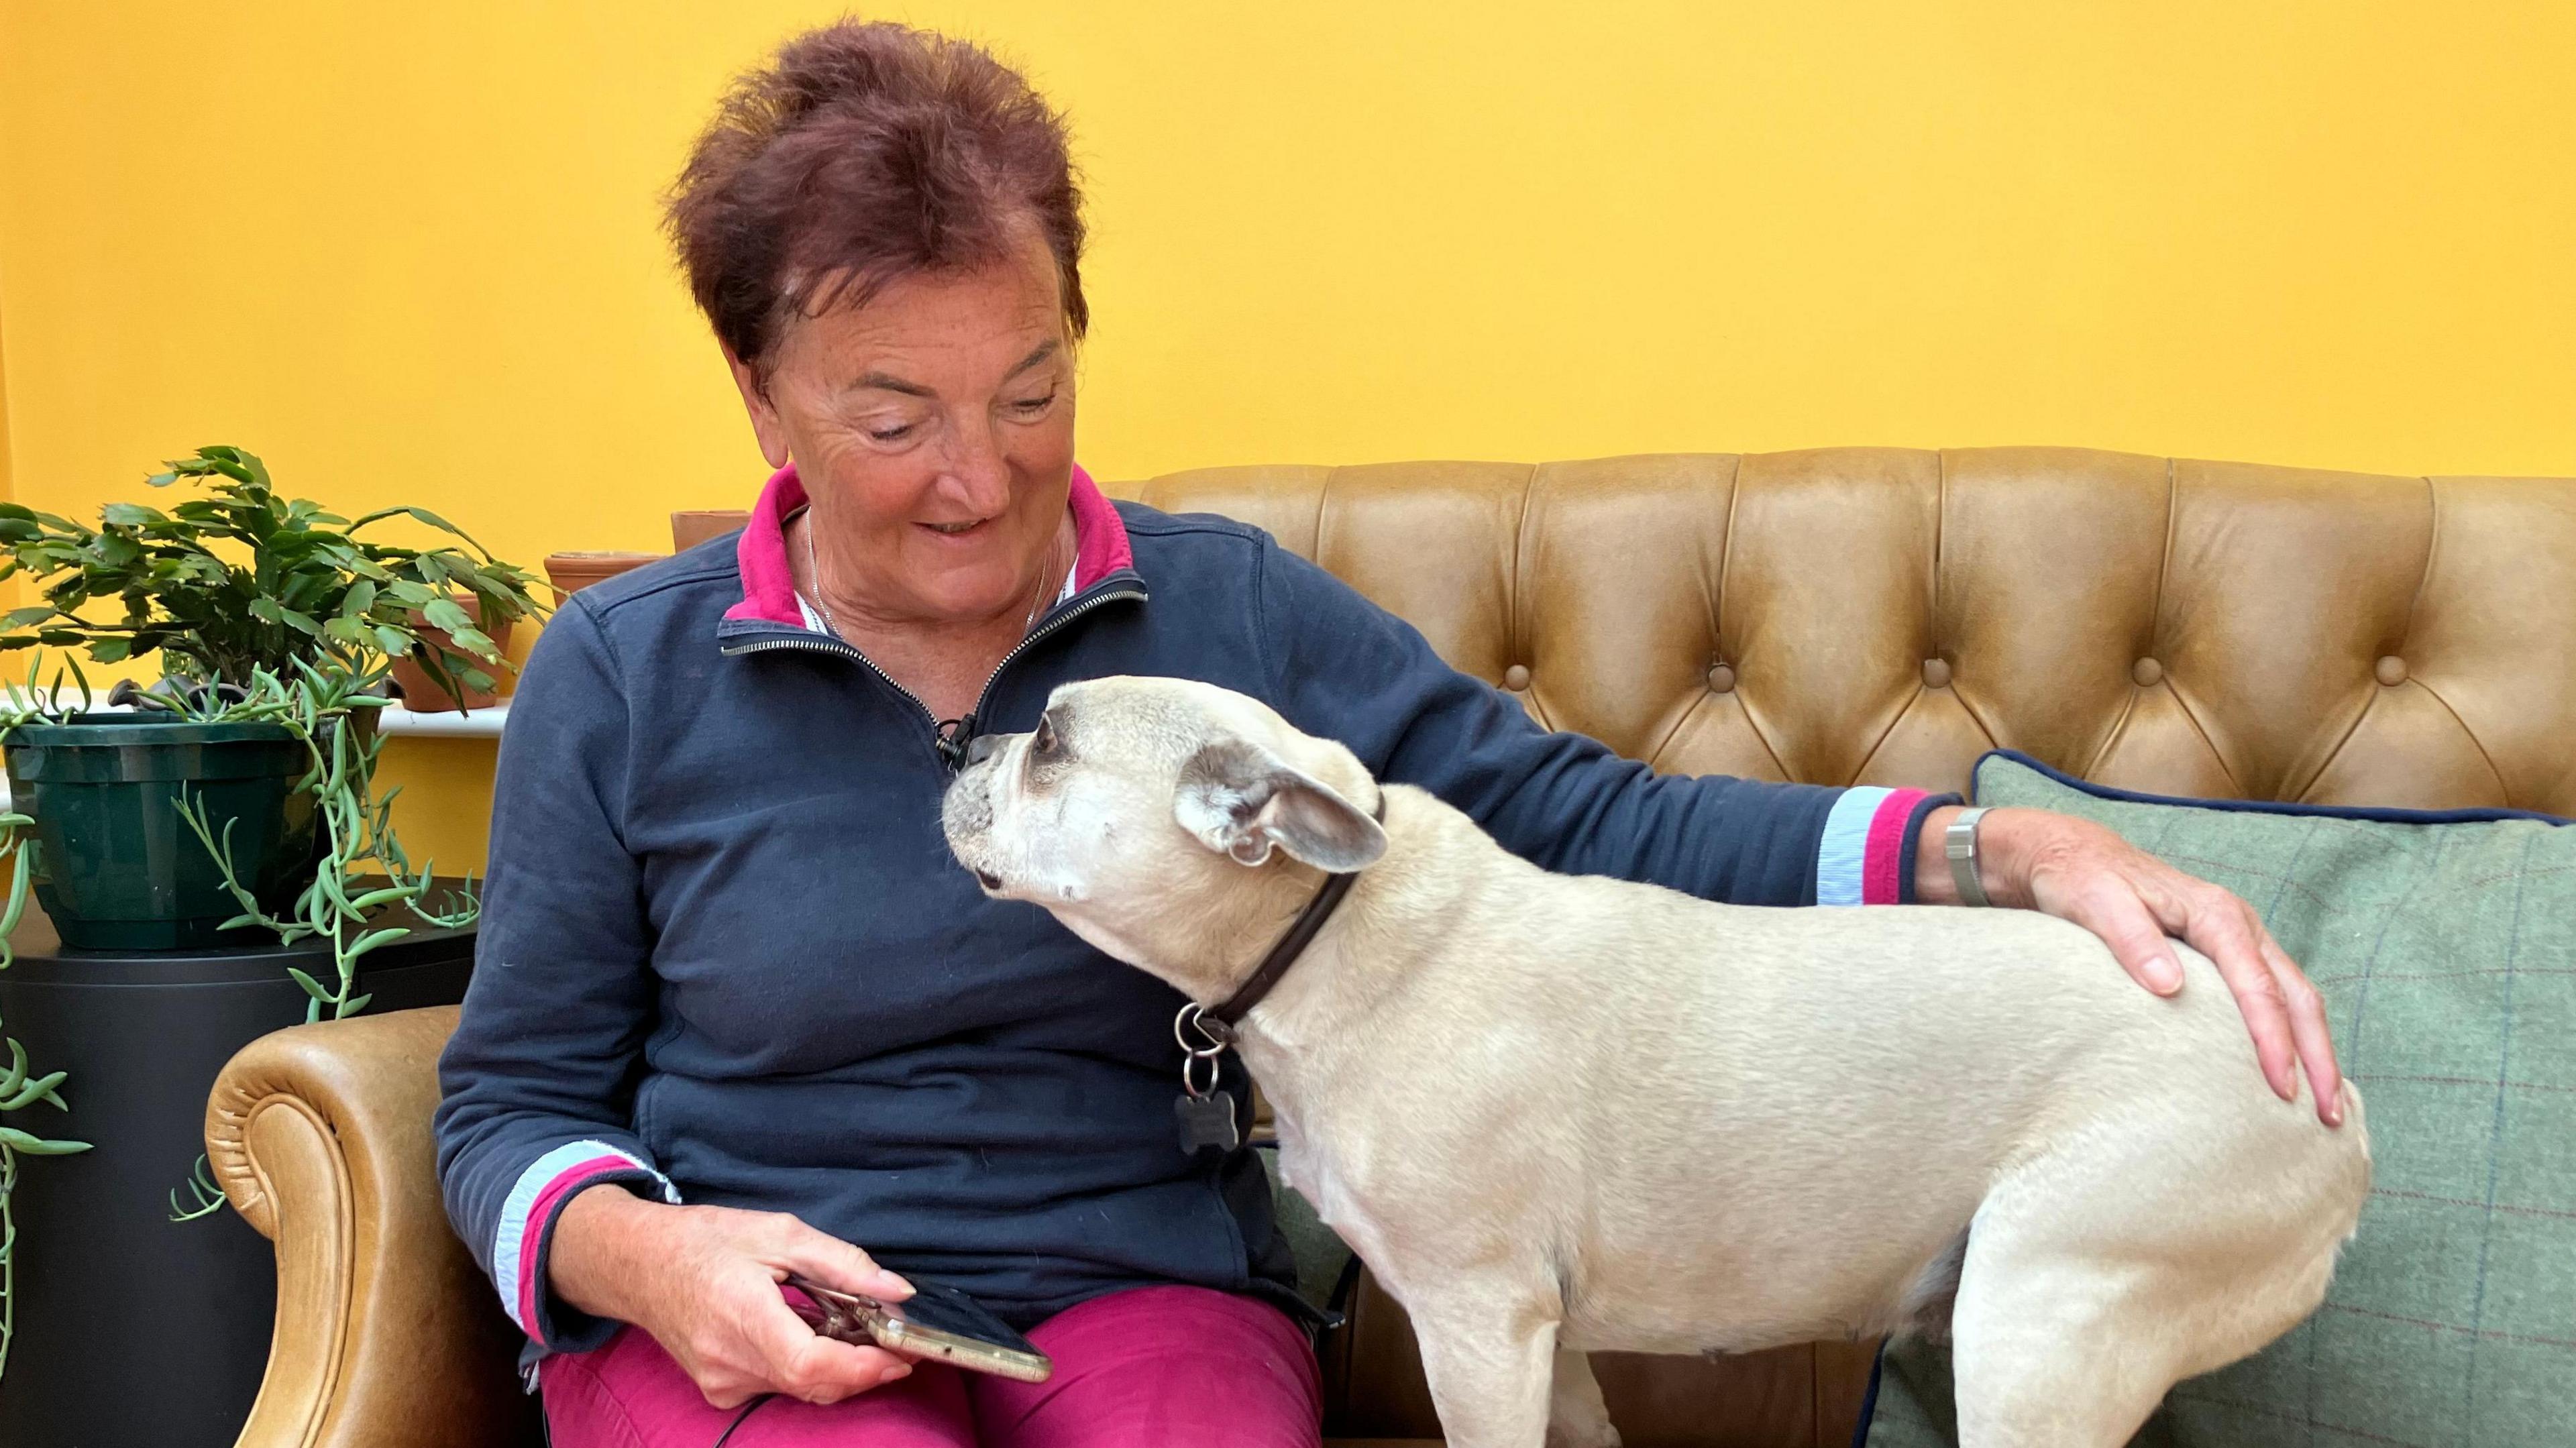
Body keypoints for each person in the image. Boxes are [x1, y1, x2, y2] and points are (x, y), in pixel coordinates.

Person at [434, 20, 2342, 1448]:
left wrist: (1995, 847)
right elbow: (510, 1102)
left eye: (1031, 392)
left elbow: (1581, 821)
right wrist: (652, 1263)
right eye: (892, 417)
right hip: (755, 1301)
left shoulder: (1229, 619)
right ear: (764, 403)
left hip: (1138, 1295)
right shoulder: (626, 670)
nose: (978, 478)